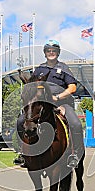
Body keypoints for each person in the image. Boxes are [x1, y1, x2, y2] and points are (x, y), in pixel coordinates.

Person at [14, 39, 85, 168]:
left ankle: (75, 154)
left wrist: (58, 97)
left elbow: (72, 87)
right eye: (48, 51)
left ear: (58, 53)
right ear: (45, 53)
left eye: (54, 51)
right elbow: (31, 86)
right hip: (41, 105)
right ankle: (22, 153)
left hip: (61, 104)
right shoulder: (39, 69)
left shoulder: (64, 68)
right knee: (20, 121)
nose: (51, 53)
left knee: (75, 123)